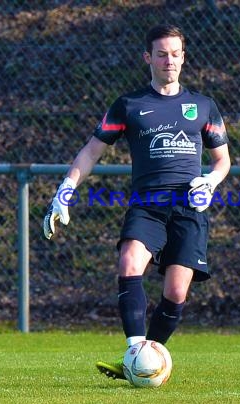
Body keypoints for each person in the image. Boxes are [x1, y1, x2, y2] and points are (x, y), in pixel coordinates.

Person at [43, 24, 230, 380]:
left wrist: (210, 180)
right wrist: (65, 190)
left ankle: (146, 361)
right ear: (148, 58)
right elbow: (92, 151)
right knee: (129, 261)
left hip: (189, 207)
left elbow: (223, 161)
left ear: (184, 57)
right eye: (161, 54)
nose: (169, 60)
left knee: (176, 291)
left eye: (175, 54)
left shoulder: (203, 106)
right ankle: (134, 352)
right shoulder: (129, 105)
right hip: (147, 204)